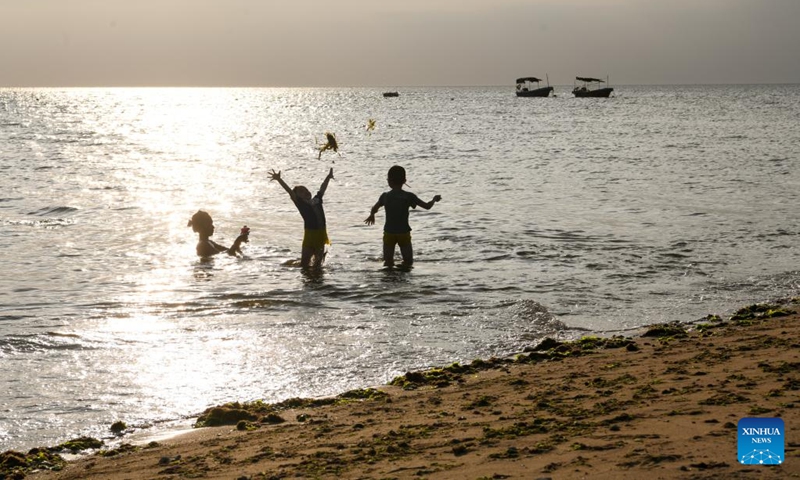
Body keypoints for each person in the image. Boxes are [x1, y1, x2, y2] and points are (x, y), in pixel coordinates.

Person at [364, 165, 442, 268]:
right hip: (403, 233)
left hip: (389, 233)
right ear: (404, 180)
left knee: (388, 263)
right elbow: (427, 207)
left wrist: (372, 215)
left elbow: (374, 208)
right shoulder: (409, 196)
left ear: (389, 181)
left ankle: (389, 279)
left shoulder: (385, 196)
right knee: (408, 262)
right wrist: (434, 200)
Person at [270, 167, 334, 269]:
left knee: (318, 266)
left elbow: (322, 188)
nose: (306, 192)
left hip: (321, 235)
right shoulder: (300, 203)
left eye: (306, 190)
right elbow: (289, 191)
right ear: (297, 196)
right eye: (302, 191)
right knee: (304, 265)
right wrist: (279, 180)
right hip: (309, 235)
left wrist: (328, 177)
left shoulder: (317, 200)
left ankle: (317, 279)